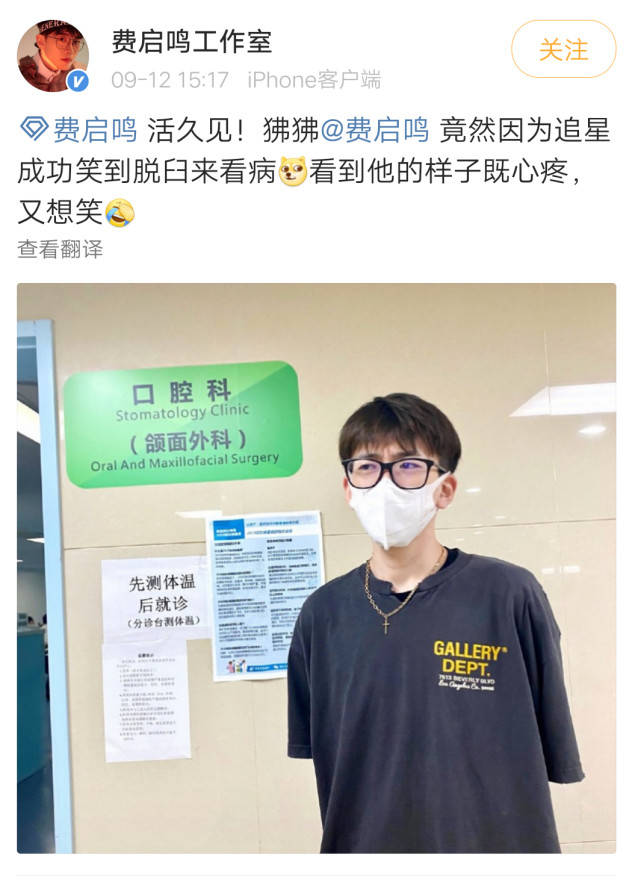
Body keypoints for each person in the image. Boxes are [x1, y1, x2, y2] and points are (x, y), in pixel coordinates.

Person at [287, 393, 584, 853]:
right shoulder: (321, 614)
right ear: (349, 489)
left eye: (408, 465)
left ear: (444, 488)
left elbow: (551, 740)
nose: (385, 483)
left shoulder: (508, 594)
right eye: (367, 467)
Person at [18, 20, 85, 92]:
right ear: (41, 41)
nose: (71, 51)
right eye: (62, 39)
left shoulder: (77, 75)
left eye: (75, 42)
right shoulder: (22, 75)